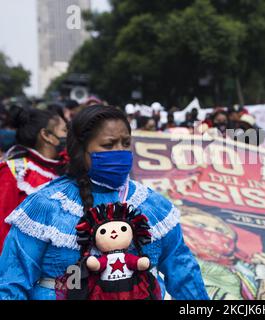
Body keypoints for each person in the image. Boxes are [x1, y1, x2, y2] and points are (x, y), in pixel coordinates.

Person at [0, 105, 208, 300]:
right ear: (80, 149)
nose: (120, 152)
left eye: (125, 143)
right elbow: (12, 282)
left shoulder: (154, 206)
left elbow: (184, 273)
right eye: (109, 145)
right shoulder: (46, 206)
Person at [0, 107, 68, 252]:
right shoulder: (15, 171)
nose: (69, 137)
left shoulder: (66, 170)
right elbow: (2, 227)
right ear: (46, 135)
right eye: (64, 131)